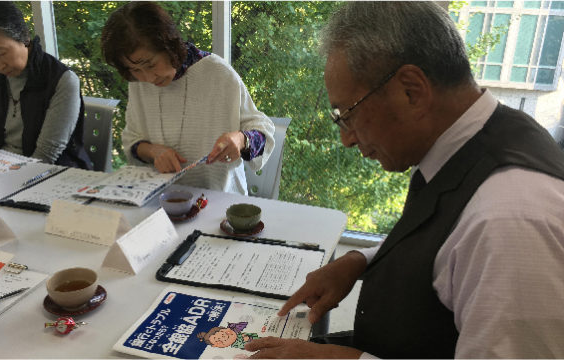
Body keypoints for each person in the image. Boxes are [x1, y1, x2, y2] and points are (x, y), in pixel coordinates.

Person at [245, 2, 564, 359]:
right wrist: (360, 261)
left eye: (347, 115)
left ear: (411, 90)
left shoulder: (511, 223)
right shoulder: (482, 136)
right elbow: (450, 248)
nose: (346, 139)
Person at [101, 2, 274, 194]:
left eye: (150, 64)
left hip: (220, 199)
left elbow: (263, 133)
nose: (148, 78)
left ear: (169, 45)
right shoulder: (138, 83)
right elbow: (132, 141)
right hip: (160, 197)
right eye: (135, 70)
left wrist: (241, 139)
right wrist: (152, 151)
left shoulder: (218, 74)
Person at [0, 1, 92, 169]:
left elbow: (46, 154)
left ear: (24, 37)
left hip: (49, 173)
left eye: (1, 53)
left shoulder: (61, 80)